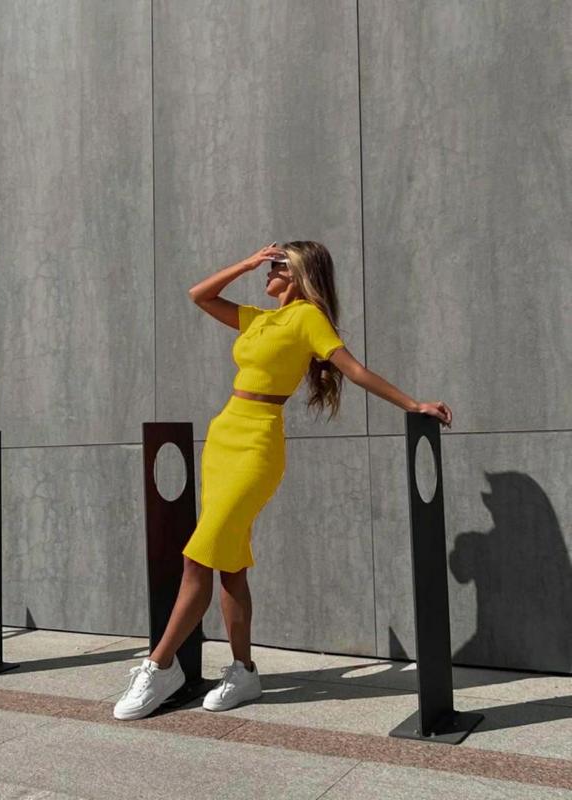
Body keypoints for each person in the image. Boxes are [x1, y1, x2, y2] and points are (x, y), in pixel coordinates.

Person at [113, 240, 452, 721]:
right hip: (223, 436)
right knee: (230, 565)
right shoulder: (257, 319)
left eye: (274, 266)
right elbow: (199, 295)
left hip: (257, 445)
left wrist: (414, 404)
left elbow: (355, 370)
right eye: (267, 265)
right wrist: (246, 261)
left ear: (296, 272)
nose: (266, 272)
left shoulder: (308, 318)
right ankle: (244, 672)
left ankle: (160, 665)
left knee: (197, 556)